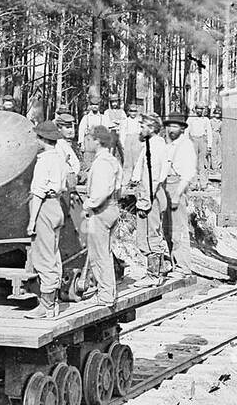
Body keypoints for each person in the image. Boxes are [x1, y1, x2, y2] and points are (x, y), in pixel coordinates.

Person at [27, 120, 69, 316]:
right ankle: (55, 302)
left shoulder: (43, 161)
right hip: (57, 206)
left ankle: (46, 306)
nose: (36, 140)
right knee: (54, 255)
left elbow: (37, 194)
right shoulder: (60, 158)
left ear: (43, 140)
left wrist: (31, 221)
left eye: (37, 137)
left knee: (43, 258)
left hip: (45, 207)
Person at [81, 125, 123, 306]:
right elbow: (119, 187)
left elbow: (100, 192)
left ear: (97, 141)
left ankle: (106, 296)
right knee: (104, 252)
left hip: (101, 210)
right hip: (112, 207)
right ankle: (107, 291)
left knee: (99, 254)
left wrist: (87, 205)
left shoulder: (102, 163)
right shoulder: (112, 161)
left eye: (88, 139)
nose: (86, 142)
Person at [130, 112, 170, 285]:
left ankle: (153, 276)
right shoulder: (153, 144)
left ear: (152, 128)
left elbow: (152, 177)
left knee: (148, 235)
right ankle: (162, 268)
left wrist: (145, 201)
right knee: (153, 232)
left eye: (143, 126)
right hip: (152, 192)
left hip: (151, 194)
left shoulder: (154, 147)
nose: (141, 129)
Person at [163, 113, 199, 273]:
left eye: (175, 126)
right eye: (169, 126)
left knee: (179, 229)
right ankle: (173, 263)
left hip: (176, 186)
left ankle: (183, 266)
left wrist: (177, 194)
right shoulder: (170, 145)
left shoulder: (186, 145)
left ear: (182, 129)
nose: (171, 129)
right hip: (165, 186)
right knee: (168, 229)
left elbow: (189, 172)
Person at [54, 109, 81, 189]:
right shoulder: (58, 144)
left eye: (72, 128)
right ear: (59, 128)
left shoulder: (65, 143)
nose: (71, 131)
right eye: (67, 128)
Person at [119, 100, 144, 182]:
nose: (133, 113)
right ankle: (126, 178)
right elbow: (122, 132)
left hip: (137, 140)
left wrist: (142, 142)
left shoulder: (139, 121)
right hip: (128, 140)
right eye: (131, 111)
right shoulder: (125, 121)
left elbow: (142, 132)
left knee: (137, 160)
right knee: (128, 160)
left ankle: (136, 178)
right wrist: (122, 143)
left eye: (135, 111)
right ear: (128, 112)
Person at [186, 105, 213, 177]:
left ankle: (203, 183)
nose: (200, 111)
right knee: (193, 162)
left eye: (201, 109)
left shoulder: (206, 119)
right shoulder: (191, 119)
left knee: (203, 163)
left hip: (203, 140)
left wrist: (209, 145)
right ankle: (193, 184)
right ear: (195, 109)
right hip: (193, 140)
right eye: (198, 109)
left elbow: (209, 132)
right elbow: (186, 131)